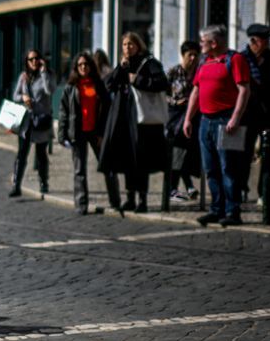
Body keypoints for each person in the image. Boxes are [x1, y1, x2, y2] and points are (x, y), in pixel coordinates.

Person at [184, 25, 252, 227]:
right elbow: (196, 92)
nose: (200, 44)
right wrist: (188, 118)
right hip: (205, 121)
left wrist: (235, 118)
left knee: (228, 167)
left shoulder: (235, 59)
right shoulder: (204, 61)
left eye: (202, 41)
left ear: (214, 43)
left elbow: (244, 90)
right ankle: (217, 209)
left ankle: (233, 211)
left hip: (226, 121)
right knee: (210, 168)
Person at [99, 32, 169, 213]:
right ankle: (129, 198)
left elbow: (162, 83)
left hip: (142, 121)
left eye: (131, 44)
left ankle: (142, 200)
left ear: (138, 45)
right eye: (124, 44)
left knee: (141, 161)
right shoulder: (124, 64)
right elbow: (108, 86)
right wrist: (120, 69)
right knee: (127, 159)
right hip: (124, 118)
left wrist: (137, 79)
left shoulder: (150, 63)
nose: (127, 48)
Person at [58, 52, 112, 216]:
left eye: (86, 64)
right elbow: (63, 113)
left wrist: (103, 132)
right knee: (79, 170)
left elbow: (106, 110)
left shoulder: (98, 84)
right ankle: (81, 204)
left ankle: (115, 201)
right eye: (80, 65)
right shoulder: (70, 87)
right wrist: (62, 135)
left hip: (96, 133)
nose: (83, 67)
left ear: (91, 66)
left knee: (107, 166)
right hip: (78, 133)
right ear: (76, 67)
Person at [9, 50, 54, 198]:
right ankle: (16, 185)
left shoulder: (46, 75)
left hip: (41, 120)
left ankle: (43, 183)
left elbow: (50, 90)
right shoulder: (23, 77)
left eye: (36, 59)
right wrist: (23, 97)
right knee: (22, 153)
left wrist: (44, 72)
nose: (34, 61)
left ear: (41, 60)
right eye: (31, 60)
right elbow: (15, 96)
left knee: (41, 154)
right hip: (26, 121)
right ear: (27, 62)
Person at [238, 24, 270, 208]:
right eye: (263, 40)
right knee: (243, 154)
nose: (267, 43)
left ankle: (264, 193)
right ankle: (242, 188)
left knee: (268, 156)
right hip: (246, 115)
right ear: (252, 41)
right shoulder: (241, 59)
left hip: (268, 115)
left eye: (268, 39)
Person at [166, 41, 202, 204]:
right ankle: (176, 188)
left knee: (189, 153)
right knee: (178, 152)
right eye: (190, 55)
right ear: (183, 55)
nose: (193, 58)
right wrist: (174, 101)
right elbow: (162, 94)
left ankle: (188, 186)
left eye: (196, 55)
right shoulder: (173, 72)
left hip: (195, 118)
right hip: (176, 118)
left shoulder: (200, 72)